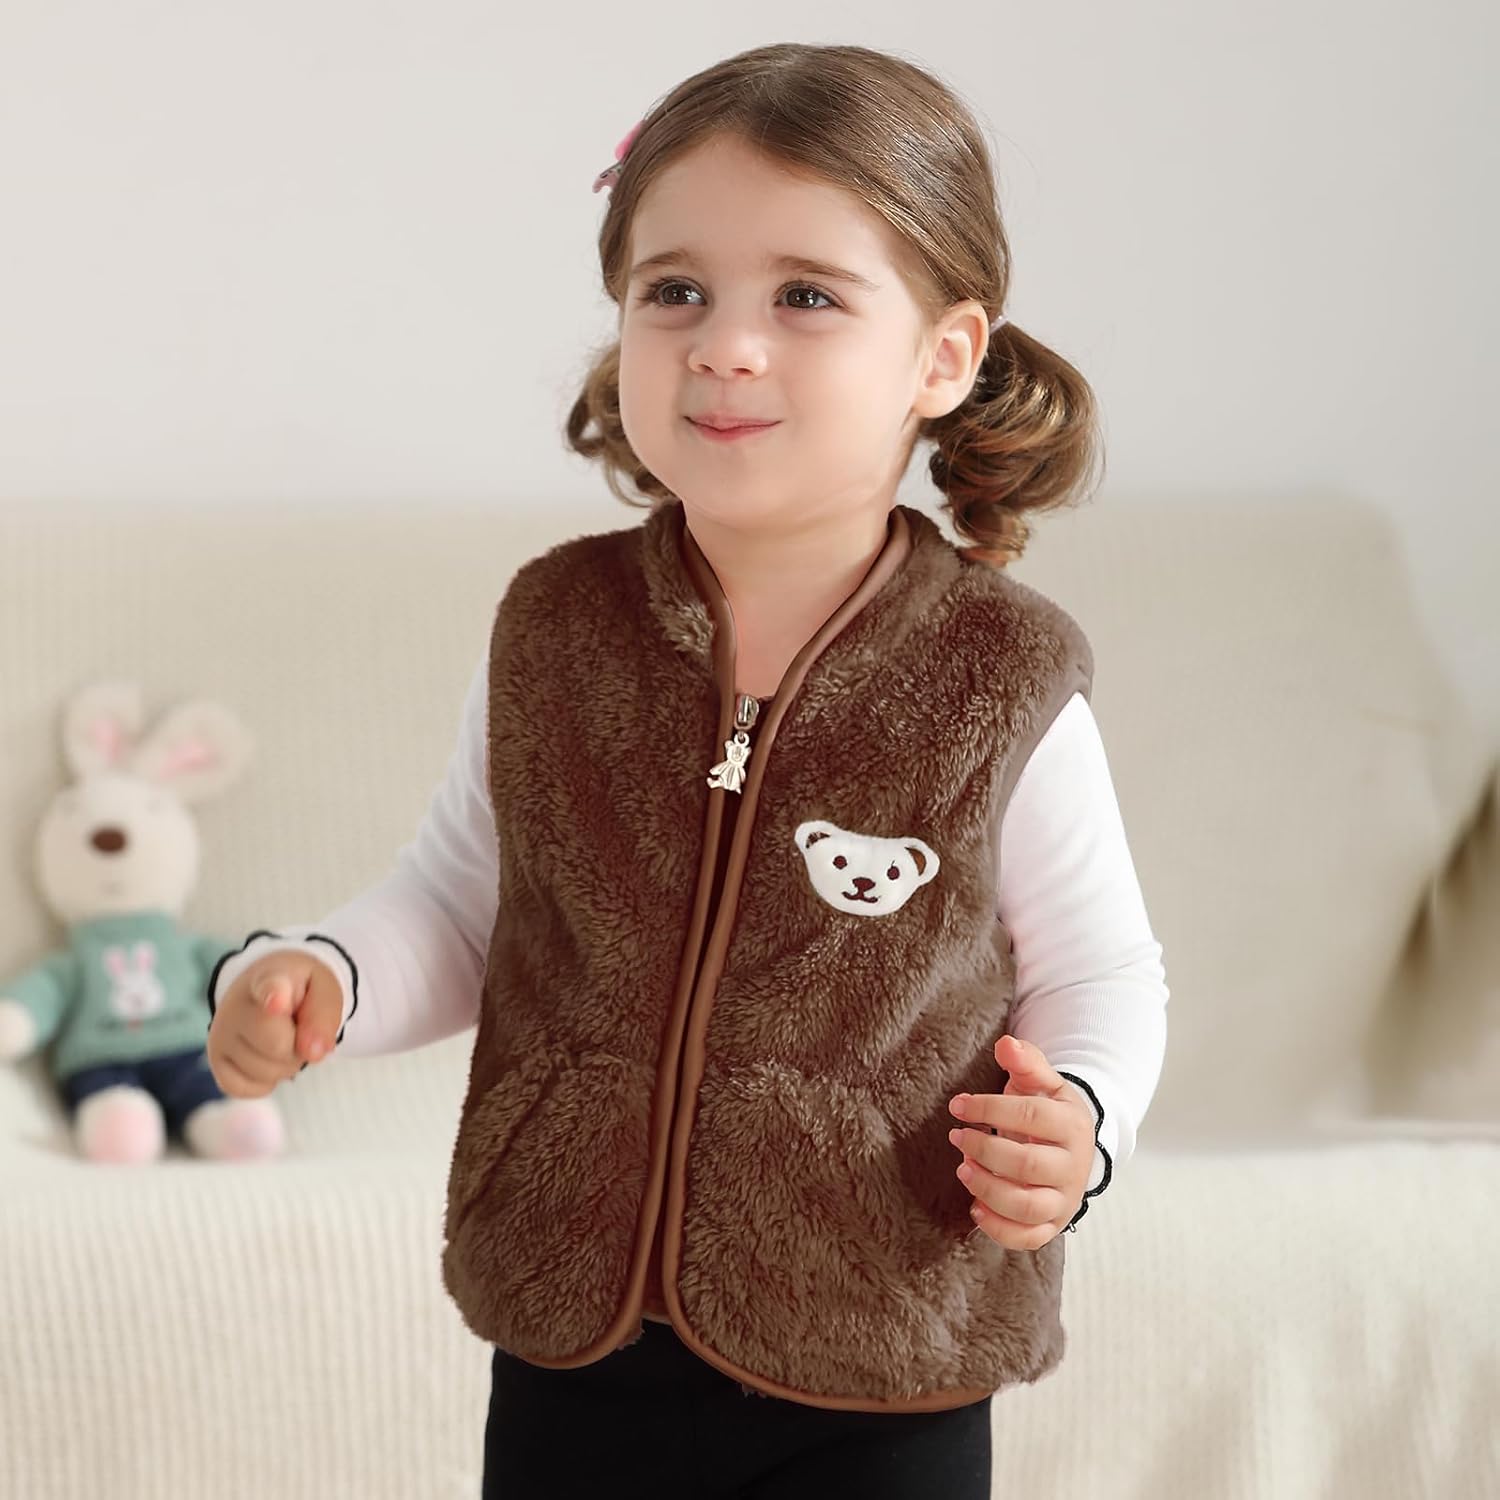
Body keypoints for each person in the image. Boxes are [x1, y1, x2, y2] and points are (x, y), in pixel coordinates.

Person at [205, 41, 1168, 1500]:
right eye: (675, 291)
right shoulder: (557, 629)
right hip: (576, 1336)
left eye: (806, 296)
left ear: (943, 357)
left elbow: (1102, 970)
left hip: (878, 1345)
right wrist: (322, 972)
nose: (725, 344)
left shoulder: (1000, 675)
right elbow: (462, 906)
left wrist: (1079, 1125)